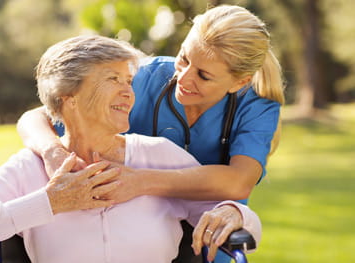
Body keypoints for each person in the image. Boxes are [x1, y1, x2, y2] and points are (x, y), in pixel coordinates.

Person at [0, 35, 261, 263]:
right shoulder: (30, 168)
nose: (128, 93)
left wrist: (234, 212)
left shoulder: (159, 155)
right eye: (112, 79)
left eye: (129, 81)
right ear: (69, 96)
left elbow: (245, 224)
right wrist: (50, 202)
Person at [16, 4, 284, 263]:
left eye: (203, 75)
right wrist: (52, 152)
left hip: (208, 233)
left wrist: (139, 181)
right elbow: (36, 117)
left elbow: (238, 182)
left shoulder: (257, 106)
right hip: (139, 233)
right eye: (184, 58)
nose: (184, 78)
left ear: (240, 81)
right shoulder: (146, 76)